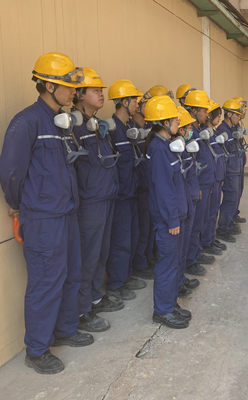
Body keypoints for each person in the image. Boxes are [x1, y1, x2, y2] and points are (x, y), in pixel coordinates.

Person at [0, 52, 93, 374]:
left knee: (71, 273)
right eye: (69, 86)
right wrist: (18, 203)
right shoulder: (27, 122)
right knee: (45, 282)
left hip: (66, 213)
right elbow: (10, 172)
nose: (74, 92)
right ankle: (37, 350)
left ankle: (66, 329)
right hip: (43, 219)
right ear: (49, 86)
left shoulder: (61, 122)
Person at [72, 68, 123, 334]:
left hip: (106, 196)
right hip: (90, 202)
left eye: (101, 90)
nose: (101, 95)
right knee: (87, 256)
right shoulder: (74, 127)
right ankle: (81, 310)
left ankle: (94, 297)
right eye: (95, 90)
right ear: (80, 95)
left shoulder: (98, 125)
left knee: (101, 252)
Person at [144, 96, 191, 329]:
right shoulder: (158, 150)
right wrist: (172, 219)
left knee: (173, 263)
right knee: (167, 264)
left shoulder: (165, 146)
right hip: (167, 221)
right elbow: (164, 190)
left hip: (175, 216)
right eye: (175, 120)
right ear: (164, 122)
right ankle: (162, 310)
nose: (178, 123)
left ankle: (170, 304)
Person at [106, 79, 147, 300]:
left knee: (132, 236)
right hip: (120, 196)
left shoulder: (130, 128)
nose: (137, 105)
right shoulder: (112, 130)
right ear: (124, 102)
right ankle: (116, 283)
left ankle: (127, 275)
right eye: (134, 101)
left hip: (132, 192)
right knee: (120, 240)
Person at [184, 90, 217, 274]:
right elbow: (191, 164)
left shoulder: (198, 131)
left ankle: (196, 253)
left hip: (205, 183)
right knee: (195, 224)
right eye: (204, 111)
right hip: (198, 186)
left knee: (201, 221)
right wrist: (196, 187)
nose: (207, 115)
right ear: (194, 111)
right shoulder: (190, 133)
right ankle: (190, 260)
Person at [129, 90, 156, 280]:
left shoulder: (149, 128)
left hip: (148, 185)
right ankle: (140, 262)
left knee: (149, 227)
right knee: (140, 228)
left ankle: (148, 258)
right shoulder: (130, 129)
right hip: (138, 188)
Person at [176, 105, 202, 296]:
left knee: (183, 246)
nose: (191, 130)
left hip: (189, 200)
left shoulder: (183, 148)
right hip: (181, 204)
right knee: (176, 250)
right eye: (188, 127)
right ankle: (176, 283)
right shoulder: (170, 150)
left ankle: (180, 278)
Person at [215, 99, 244, 243]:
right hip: (229, 172)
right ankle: (223, 230)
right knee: (229, 200)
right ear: (229, 114)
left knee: (234, 200)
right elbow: (223, 155)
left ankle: (230, 225)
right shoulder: (223, 130)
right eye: (237, 114)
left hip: (235, 170)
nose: (239, 117)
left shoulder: (232, 129)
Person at [202, 101, 228, 255]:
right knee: (209, 212)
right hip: (211, 180)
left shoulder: (214, 132)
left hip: (217, 178)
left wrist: (221, 175)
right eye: (217, 116)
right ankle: (206, 240)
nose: (219, 119)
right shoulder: (205, 134)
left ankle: (211, 238)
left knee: (214, 211)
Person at [232, 97, 248, 225]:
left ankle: (234, 214)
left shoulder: (237, 125)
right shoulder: (228, 129)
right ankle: (228, 223)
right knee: (232, 195)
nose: (243, 113)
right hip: (232, 167)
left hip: (238, 164)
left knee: (238, 191)